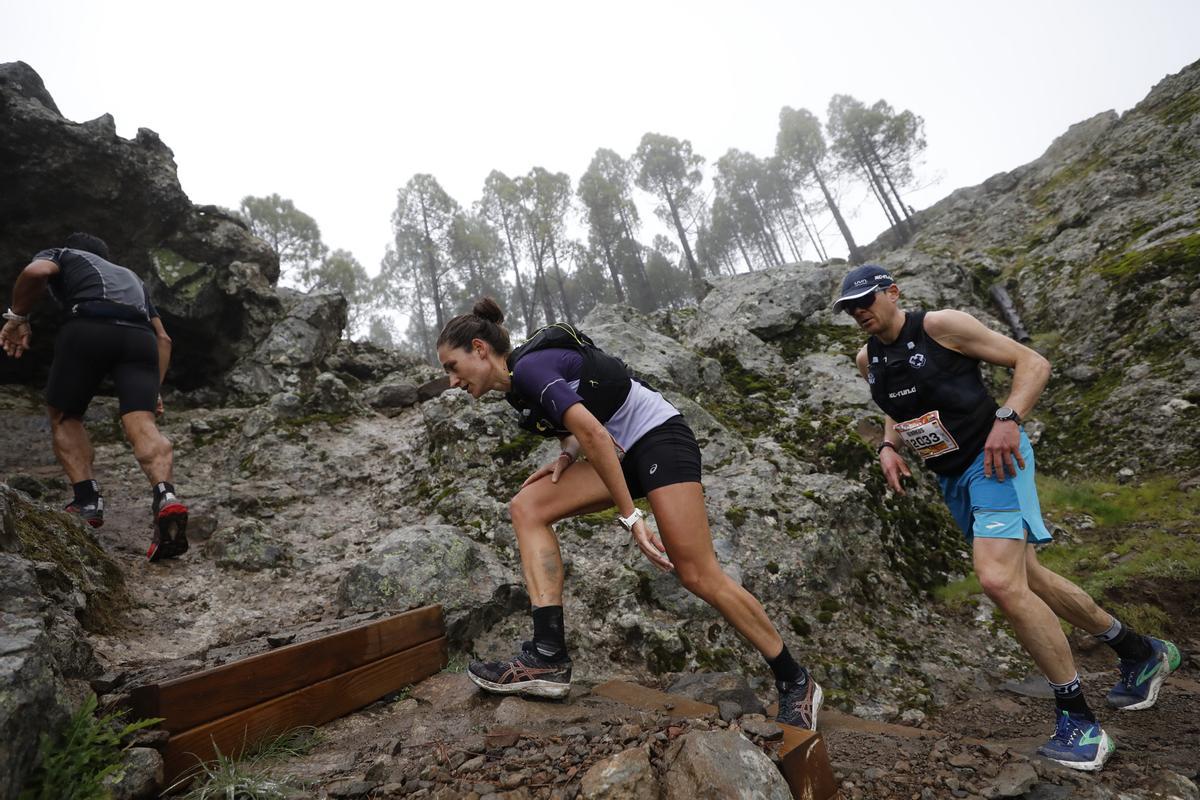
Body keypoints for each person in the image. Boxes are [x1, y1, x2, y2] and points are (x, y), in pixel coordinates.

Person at [838, 263, 1181, 771]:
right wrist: (889, 445)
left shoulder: (940, 326)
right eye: (849, 308)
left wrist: (1009, 418)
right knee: (1029, 578)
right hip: (952, 477)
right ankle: (1140, 652)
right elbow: (899, 404)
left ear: (892, 292)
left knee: (998, 580)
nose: (858, 312)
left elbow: (1032, 362)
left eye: (865, 300)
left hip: (995, 460)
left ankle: (1081, 724)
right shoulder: (868, 358)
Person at [436, 298, 823, 729]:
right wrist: (566, 455)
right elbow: (581, 423)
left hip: (659, 438)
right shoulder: (518, 391)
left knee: (697, 573)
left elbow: (595, 433)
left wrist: (631, 516)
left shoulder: (529, 369)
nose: (452, 381)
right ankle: (547, 656)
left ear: (479, 349)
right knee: (527, 507)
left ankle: (795, 679)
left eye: (453, 366)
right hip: (620, 453)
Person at [0, 233, 189, 561]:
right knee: (142, 422)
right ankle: (165, 496)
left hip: (89, 326)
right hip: (140, 339)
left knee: (65, 416)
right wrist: (153, 389)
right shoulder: (132, 278)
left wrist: (18, 317)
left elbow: (35, 273)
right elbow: (164, 338)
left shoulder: (63, 253)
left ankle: (87, 500)